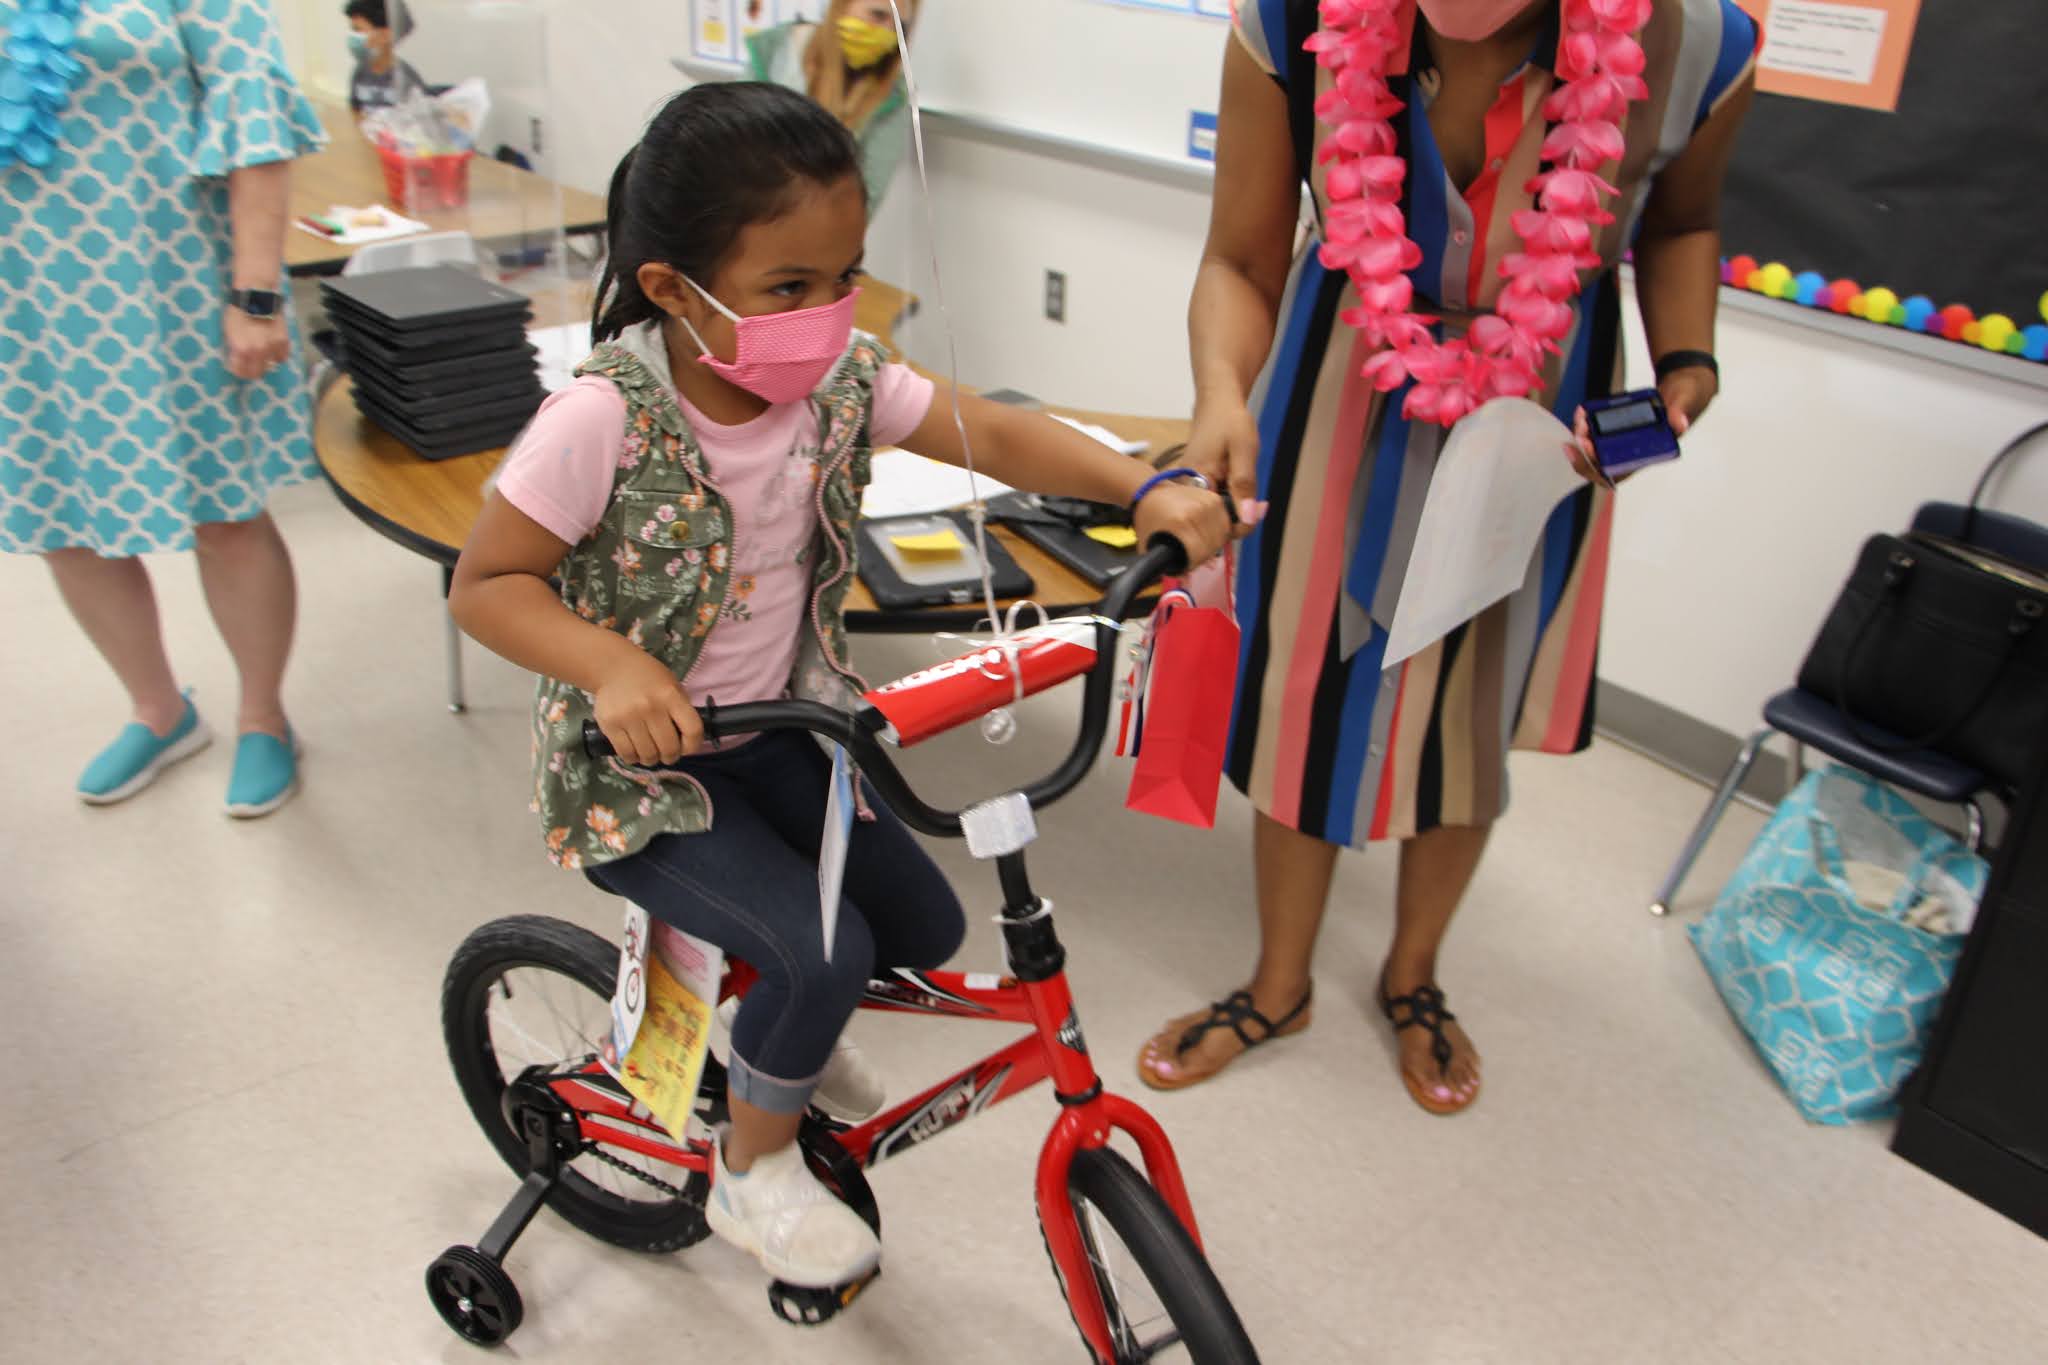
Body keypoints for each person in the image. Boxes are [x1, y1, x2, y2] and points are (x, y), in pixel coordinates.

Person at [447, 83, 1230, 1290]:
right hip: (642, 778)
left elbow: (989, 432)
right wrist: (610, 665)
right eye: (787, 287)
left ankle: (768, 1043)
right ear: (671, 289)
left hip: (785, 735)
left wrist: (1143, 487)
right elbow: (487, 583)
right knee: (822, 957)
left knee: (919, 932)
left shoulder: (839, 382)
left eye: (844, 277)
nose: (826, 314)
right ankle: (751, 1172)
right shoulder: (601, 419)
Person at [1136, 0, 1757, 1114]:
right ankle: (1279, 984)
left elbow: (1682, 224)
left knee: (1473, 704)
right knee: (1303, 694)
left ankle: (1412, 976)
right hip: (1333, 392)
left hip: (1540, 424)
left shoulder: (1697, 47)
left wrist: (1687, 363)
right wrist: (1220, 393)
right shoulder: (1286, 17)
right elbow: (1238, 254)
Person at [1, 0, 328, 817]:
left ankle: (263, 717)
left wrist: (255, 293)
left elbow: (255, 123)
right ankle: (158, 709)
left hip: (168, 284)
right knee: (61, 522)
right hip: (22, 302)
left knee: (226, 513)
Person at [745, 0, 918, 206]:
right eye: (878, 15)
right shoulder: (774, 53)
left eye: (900, 26)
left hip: (820, 222)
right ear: (842, 5)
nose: (887, 33)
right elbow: (735, 149)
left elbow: (865, 198)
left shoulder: (892, 96)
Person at [343, 0, 423, 117]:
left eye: (358, 29)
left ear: (386, 35)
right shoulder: (360, 72)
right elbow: (355, 113)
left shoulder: (406, 77)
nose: (352, 36)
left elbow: (416, 121)